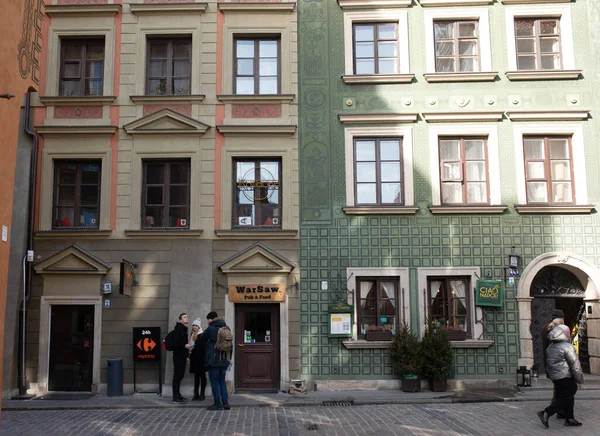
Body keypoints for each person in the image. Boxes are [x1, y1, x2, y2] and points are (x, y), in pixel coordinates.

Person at [537, 324, 584, 428]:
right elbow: (575, 364)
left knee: (567, 396)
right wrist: (579, 380)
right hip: (565, 375)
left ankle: (570, 418)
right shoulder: (567, 346)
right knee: (567, 395)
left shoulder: (550, 347)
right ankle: (546, 413)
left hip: (556, 377)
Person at [540, 309, 566, 419]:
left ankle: (560, 410)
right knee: (563, 390)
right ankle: (553, 411)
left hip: (550, 363)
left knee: (559, 388)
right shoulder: (557, 331)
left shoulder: (545, 329)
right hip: (558, 363)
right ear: (560, 319)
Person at [204, 311, 231, 411]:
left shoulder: (211, 328)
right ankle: (226, 403)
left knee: (214, 382)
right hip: (224, 359)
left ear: (210, 320)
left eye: (208, 320)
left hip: (214, 360)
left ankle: (217, 404)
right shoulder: (226, 328)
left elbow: (202, 338)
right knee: (222, 382)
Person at [171, 312, 192, 404]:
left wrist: (187, 357)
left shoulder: (184, 329)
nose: (186, 318)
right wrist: (185, 346)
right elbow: (176, 344)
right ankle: (175, 397)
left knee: (180, 376)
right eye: (184, 317)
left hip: (182, 356)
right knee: (177, 376)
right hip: (178, 356)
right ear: (180, 320)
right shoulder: (178, 329)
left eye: (187, 317)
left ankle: (178, 395)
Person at [189, 318, 208, 401]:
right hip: (194, 359)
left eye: (196, 326)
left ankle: (202, 394)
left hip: (201, 359)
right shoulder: (192, 335)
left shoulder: (202, 335)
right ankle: (196, 394)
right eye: (193, 325)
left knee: (202, 377)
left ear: (199, 327)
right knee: (196, 377)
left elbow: (203, 348)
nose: (194, 327)